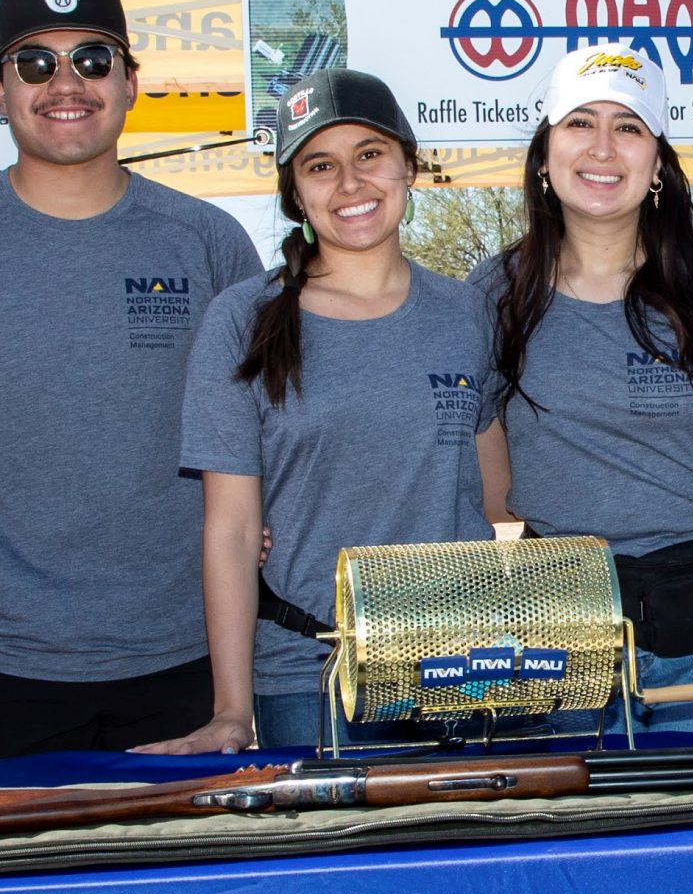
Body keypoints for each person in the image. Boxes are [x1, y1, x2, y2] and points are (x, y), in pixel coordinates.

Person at [0, 0, 261, 759]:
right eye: (36, 63)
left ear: (131, 84)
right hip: (1, 665)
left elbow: (267, 433)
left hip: (187, 658)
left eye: (93, 60)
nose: (66, 83)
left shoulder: (208, 242)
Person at [153, 69, 501, 754]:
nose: (349, 183)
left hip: (461, 669)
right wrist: (231, 710)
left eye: (370, 154)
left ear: (408, 166)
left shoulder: (468, 312)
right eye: (320, 166)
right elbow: (231, 530)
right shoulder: (241, 320)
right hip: (310, 677)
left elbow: (494, 489)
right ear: (295, 193)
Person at [476, 45, 693, 730]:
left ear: (657, 163)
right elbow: (491, 492)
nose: (603, 147)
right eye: (580, 122)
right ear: (544, 155)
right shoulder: (492, 298)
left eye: (628, 127)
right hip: (559, 646)